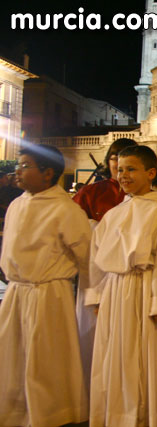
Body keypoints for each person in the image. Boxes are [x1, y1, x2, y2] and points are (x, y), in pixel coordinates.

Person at [86, 145, 157, 426]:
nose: (123, 175)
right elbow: (97, 256)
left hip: (144, 291)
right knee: (115, 354)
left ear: (151, 173)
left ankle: (141, 414)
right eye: (120, 169)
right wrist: (96, 295)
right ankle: (117, 412)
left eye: (131, 169)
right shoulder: (115, 213)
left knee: (140, 357)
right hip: (115, 292)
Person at [0, 144, 90, 426]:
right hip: (16, 291)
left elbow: (86, 255)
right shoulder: (17, 204)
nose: (18, 171)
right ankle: (14, 411)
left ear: (47, 173)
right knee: (12, 356)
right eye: (19, 165)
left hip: (49, 293)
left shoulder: (65, 209)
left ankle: (50, 412)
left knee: (45, 359)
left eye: (26, 166)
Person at [72, 137, 138, 391]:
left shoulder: (141, 196)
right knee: (91, 331)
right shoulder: (91, 192)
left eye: (126, 161)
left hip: (126, 276)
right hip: (95, 272)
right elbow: (74, 229)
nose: (119, 166)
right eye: (114, 158)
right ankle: (90, 384)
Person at [73, 138, 138, 222]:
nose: (121, 165)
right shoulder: (89, 193)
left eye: (128, 160)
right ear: (108, 161)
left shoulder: (144, 194)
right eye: (116, 159)